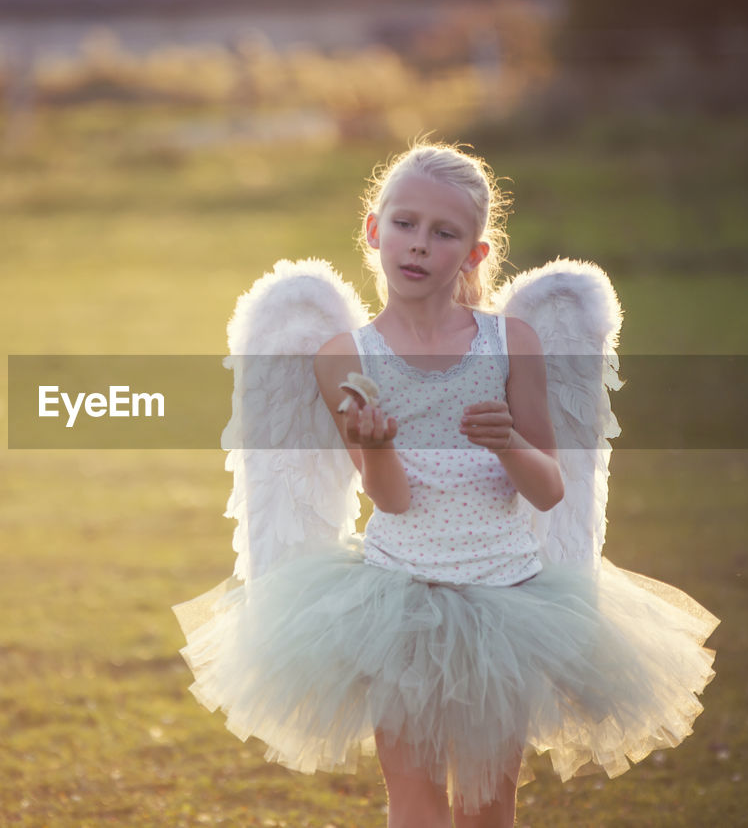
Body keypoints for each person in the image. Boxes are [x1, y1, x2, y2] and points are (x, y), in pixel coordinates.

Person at [173, 141, 718, 827]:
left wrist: (509, 441)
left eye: (444, 232)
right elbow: (393, 500)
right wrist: (376, 448)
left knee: (489, 804)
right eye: (404, 224)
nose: (419, 245)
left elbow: (550, 488)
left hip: (508, 601)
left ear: (476, 254)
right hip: (397, 601)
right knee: (416, 801)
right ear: (373, 230)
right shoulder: (346, 355)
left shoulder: (511, 341)